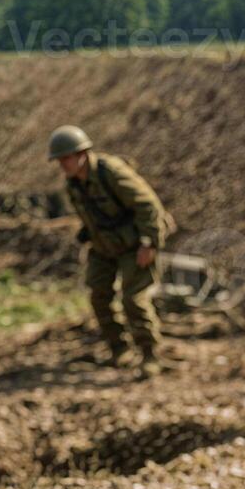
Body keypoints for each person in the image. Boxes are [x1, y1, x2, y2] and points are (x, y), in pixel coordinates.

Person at [48, 124, 173, 376]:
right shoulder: (73, 185)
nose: (63, 165)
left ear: (82, 153)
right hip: (104, 246)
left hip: (135, 243)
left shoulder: (112, 172)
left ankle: (149, 354)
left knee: (133, 298)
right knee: (99, 295)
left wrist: (149, 243)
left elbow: (149, 206)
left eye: (66, 159)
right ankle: (119, 349)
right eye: (59, 161)